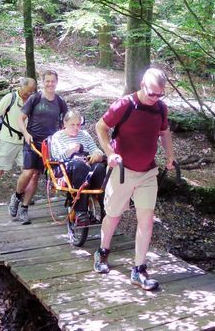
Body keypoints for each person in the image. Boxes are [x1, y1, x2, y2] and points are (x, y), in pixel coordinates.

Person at [94, 68, 176, 291]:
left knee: (146, 219)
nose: (156, 98)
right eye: (152, 94)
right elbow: (100, 127)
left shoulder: (160, 108)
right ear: (142, 85)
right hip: (123, 171)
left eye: (160, 94)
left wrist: (170, 155)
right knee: (113, 215)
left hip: (148, 172)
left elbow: (164, 132)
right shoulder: (124, 105)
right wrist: (110, 153)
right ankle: (102, 251)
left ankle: (139, 269)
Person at [8, 70, 68, 224]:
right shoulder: (35, 98)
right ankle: (17, 196)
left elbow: (66, 121)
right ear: (43, 82)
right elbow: (20, 119)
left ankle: (24, 208)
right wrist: (26, 134)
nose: (50, 84)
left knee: (36, 176)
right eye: (47, 81)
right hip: (32, 142)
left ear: (57, 82)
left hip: (49, 145)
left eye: (53, 81)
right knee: (27, 173)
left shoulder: (60, 102)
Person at [0, 77, 37, 210]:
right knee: (0, 169)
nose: (28, 94)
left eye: (31, 92)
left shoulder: (32, 101)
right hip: (7, 140)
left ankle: (21, 195)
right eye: (27, 91)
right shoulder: (10, 98)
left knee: (27, 171)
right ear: (21, 87)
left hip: (24, 142)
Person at [49, 110, 106, 225]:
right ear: (65, 124)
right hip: (67, 168)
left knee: (99, 168)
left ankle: (105, 208)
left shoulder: (84, 134)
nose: (76, 128)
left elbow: (95, 149)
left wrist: (97, 154)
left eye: (78, 125)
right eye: (72, 125)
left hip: (86, 163)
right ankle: (81, 211)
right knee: (80, 165)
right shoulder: (58, 137)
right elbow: (56, 157)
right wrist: (70, 150)